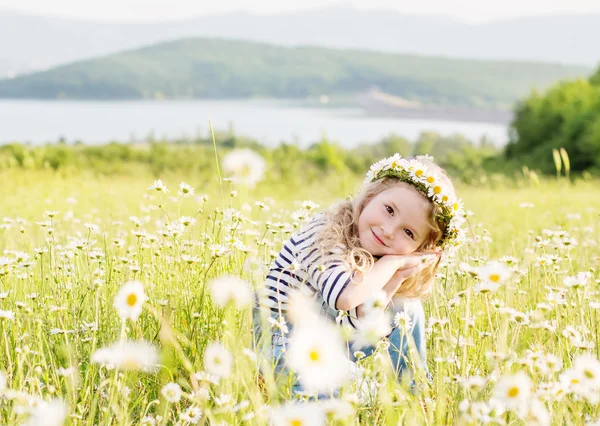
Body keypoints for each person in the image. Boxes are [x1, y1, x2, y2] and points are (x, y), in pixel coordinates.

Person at [253, 153, 465, 398]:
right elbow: (344, 298)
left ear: (418, 250)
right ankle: (278, 385)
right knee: (365, 393)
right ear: (370, 197)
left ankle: (416, 392)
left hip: (325, 346)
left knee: (407, 308)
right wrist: (394, 261)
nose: (388, 230)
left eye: (407, 232)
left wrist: (395, 279)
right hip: (281, 345)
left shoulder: (375, 257)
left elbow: (360, 322)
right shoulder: (325, 231)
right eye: (389, 210)